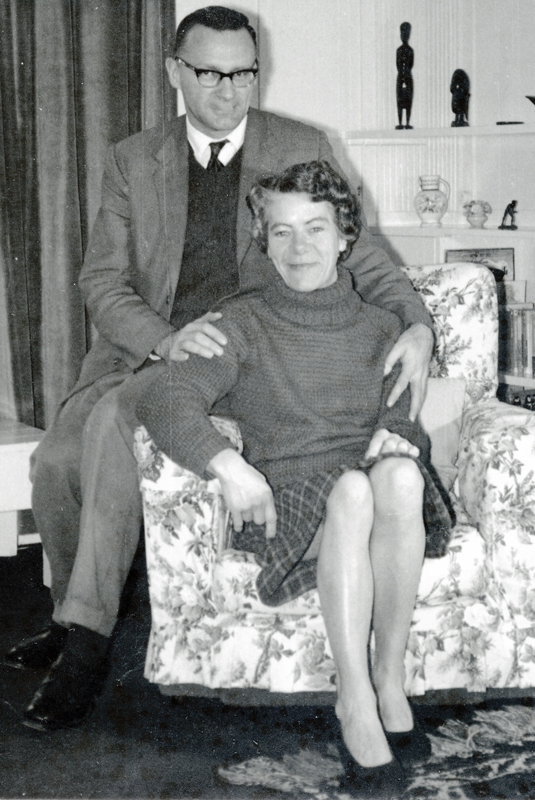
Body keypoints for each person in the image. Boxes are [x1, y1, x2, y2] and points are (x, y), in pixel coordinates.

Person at [5, 6, 434, 732]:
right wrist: (166, 339)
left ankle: (87, 642)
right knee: (54, 462)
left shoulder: (299, 145)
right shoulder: (132, 159)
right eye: (208, 73)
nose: (228, 91)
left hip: (249, 351)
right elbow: (101, 281)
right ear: (174, 72)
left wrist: (418, 325)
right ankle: (65, 611)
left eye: (243, 73)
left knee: (113, 427)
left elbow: (364, 255)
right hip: (150, 346)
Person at [137, 161, 453, 797]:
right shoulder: (241, 324)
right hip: (285, 506)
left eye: (316, 228)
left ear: (345, 236)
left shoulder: (382, 327)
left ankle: (389, 678)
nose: (299, 247)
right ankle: (354, 698)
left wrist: (401, 437)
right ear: (264, 239)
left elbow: (403, 419)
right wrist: (229, 466)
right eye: (281, 231)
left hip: (369, 495)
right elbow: (162, 398)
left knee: (398, 477)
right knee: (356, 489)